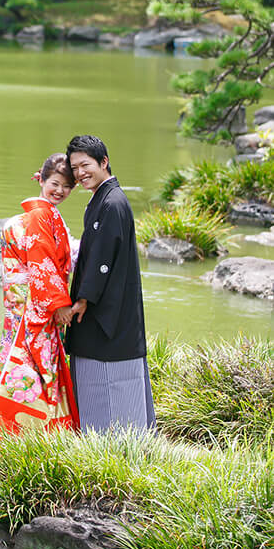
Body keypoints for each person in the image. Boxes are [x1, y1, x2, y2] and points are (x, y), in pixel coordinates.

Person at [57, 134, 156, 432]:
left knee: (109, 373)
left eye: (85, 165)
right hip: (108, 299)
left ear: (104, 162)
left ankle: (115, 439)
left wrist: (84, 299)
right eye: (74, 169)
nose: (79, 174)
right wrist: (48, 184)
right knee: (99, 373)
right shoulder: (104, 197)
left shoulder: (112, 202)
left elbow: (103, 259)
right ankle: (109, 436)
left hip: (107, 305)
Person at [0, 153, 80, 439]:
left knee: (21, 362)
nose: (60, 191)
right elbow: (42, 264)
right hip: (34, 303)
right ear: (40, 179)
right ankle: (34, 431)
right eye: (55, 183)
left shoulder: (37, 215)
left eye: (67, 186)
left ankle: (16, 430)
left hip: (20, 302)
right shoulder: (41, 215)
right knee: (37, 363)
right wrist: (58, 306)